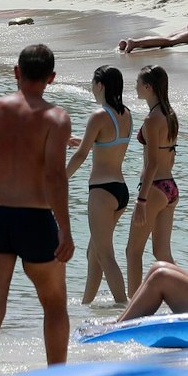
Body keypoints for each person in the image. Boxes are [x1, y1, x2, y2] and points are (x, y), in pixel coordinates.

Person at [0, 44, 74, 376]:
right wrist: (65, 228)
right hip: (35, 217)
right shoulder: (56, 118)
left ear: (16, 71)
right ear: (52, 78)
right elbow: (55, 176)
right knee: (54, 304)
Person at [64, 64, 133, 306]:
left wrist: (61, 179)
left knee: (104, 255)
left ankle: (124, 307)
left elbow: (82, 155)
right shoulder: (126, 114)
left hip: (102, 191)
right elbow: (106, 144)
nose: (91, 88)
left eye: (93, 83)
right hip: (121, 190)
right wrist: (83, 140)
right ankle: (86, 306)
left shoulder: (98, 115)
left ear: (100, 85)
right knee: (94, 253)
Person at [125, 66, 180, 292]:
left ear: (148, 87)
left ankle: (132, 306)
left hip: (155, 189)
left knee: (133, 251)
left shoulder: (152, 120)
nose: (135, 86)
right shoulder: (170, 115)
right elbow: (170, 155)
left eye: (138, 83)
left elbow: (152, 163)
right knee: (162, 253)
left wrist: (141, 200)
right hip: (171, 188)